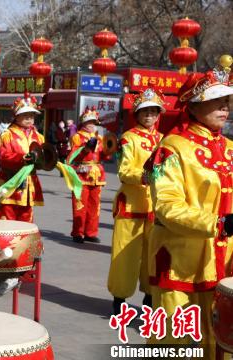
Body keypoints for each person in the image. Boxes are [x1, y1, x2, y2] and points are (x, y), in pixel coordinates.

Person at [147, 66, 233, 358]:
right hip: (179, 259)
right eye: (216, 100)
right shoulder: (172, 148)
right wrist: (218, 223)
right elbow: (167, 206)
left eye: (227, 100)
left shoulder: (230, 148)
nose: (225, 106)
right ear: (194, 106)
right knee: (175, 341)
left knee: (219, 337)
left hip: (222, 260)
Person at [107, 88, 164, 315]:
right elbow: (123, 171)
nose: (149, 115)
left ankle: (150, 297)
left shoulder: (163, 140)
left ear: (159, 114)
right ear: (137, 114)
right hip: (131, 205)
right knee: (125, 255)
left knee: (153, 254)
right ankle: (119, 299)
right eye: (144, 111)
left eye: (153, 111)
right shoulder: (128, 138)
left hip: (156, 207)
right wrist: (146, 176)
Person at [0, 92, 44, 222]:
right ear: (16, 117)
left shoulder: (38, 136)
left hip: (29, 184)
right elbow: (4, 157)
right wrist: (23, 158)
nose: (29, 118)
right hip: (10, 181)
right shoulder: (7, 135)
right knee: (6, 219)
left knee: (26, 220)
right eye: (25, 115)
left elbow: (43, 158)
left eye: (31, 115)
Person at [67, 107, 110, 243]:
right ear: (83, 123)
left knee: (94, 205)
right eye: (88, 122)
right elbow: (74, 155)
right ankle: (78, 232)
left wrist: (110, 150)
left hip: (97, 174)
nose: (91, 125)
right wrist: (85, 149)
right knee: (80, 204)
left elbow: (104, 155)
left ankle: (91, 232)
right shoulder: (77, 137)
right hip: (82, 173)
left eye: (93, 122)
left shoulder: (99, 137)